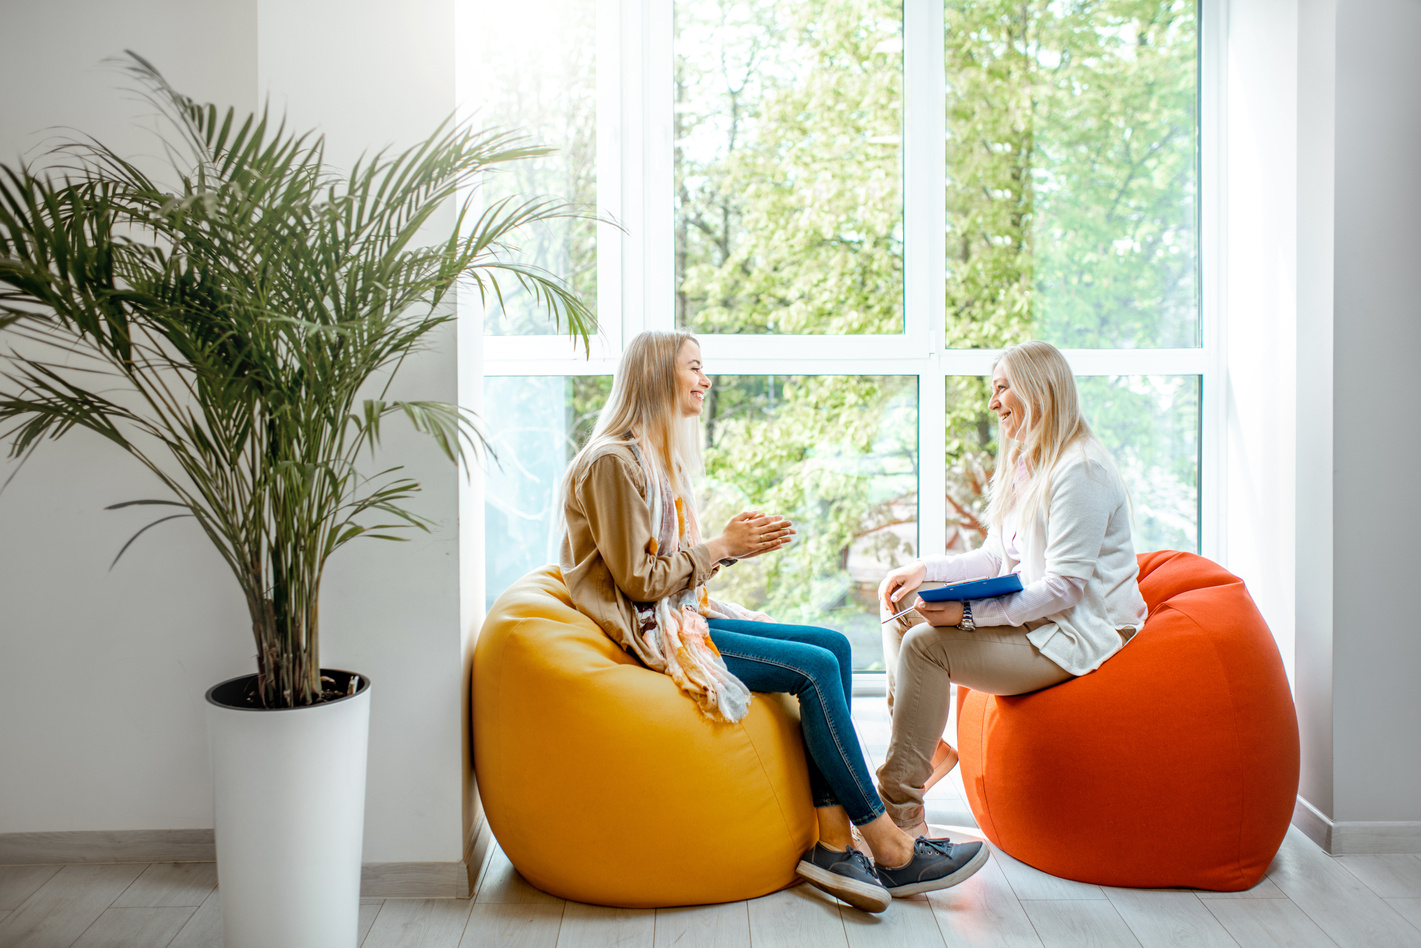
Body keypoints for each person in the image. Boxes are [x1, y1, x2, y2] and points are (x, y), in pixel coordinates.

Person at [559, 330, 989, 913]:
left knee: (833, 645)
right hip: (648, 632)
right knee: (811, 669)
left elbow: (665, 574)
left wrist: (731, 549)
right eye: (693, 367)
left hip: (675, 615)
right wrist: (719, 545)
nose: (705, 379)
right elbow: (638, 582)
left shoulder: (650, 459)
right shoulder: (613, 461)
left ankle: (835, 844)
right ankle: (888, 843)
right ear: (659, 376)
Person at [876, 340, 1148, 838]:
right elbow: (998, 559)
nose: (993, 402)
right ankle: (926, 747)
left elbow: (1064, 588)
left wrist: (967, 616)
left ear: (1037, 391)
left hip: (1076, 633)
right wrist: (924, 570)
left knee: (924, 646)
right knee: (900, 608)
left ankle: (899, 816)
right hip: (1044, 618)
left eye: (1002, 388)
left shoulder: (1079, 471)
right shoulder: (1028, 464)